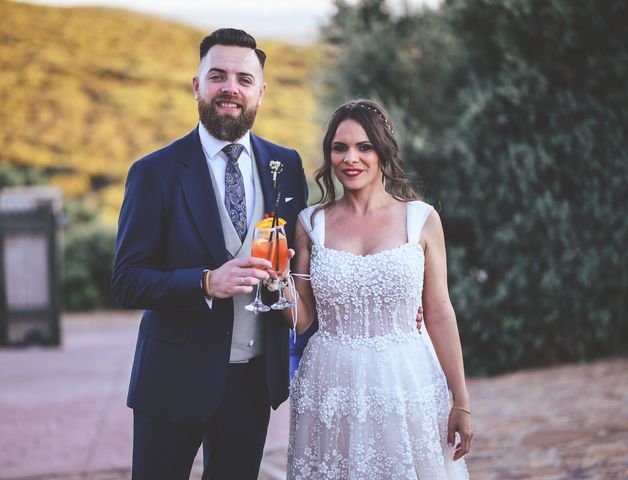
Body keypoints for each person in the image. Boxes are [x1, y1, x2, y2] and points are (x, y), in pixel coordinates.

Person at [111, 28, 308, 479]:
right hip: (171, 380)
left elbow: (302, 262)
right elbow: (126, 280)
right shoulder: (154, 172)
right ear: (197, 85)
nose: (230, 88)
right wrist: (204, 282)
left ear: (261, 90)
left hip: (252, 381)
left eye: (243, 78)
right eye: (217, 76)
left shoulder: (286, 164)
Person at [285, 99, 473, 479]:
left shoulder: (421, 219)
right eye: (340, 147)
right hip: (331, 384)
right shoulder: (310, 223)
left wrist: (462, 401)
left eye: (363, 146)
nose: (350, 158)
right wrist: (278, 283)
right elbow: (302, 320)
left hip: (407, 381)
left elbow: (438, 311)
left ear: (383, 152)